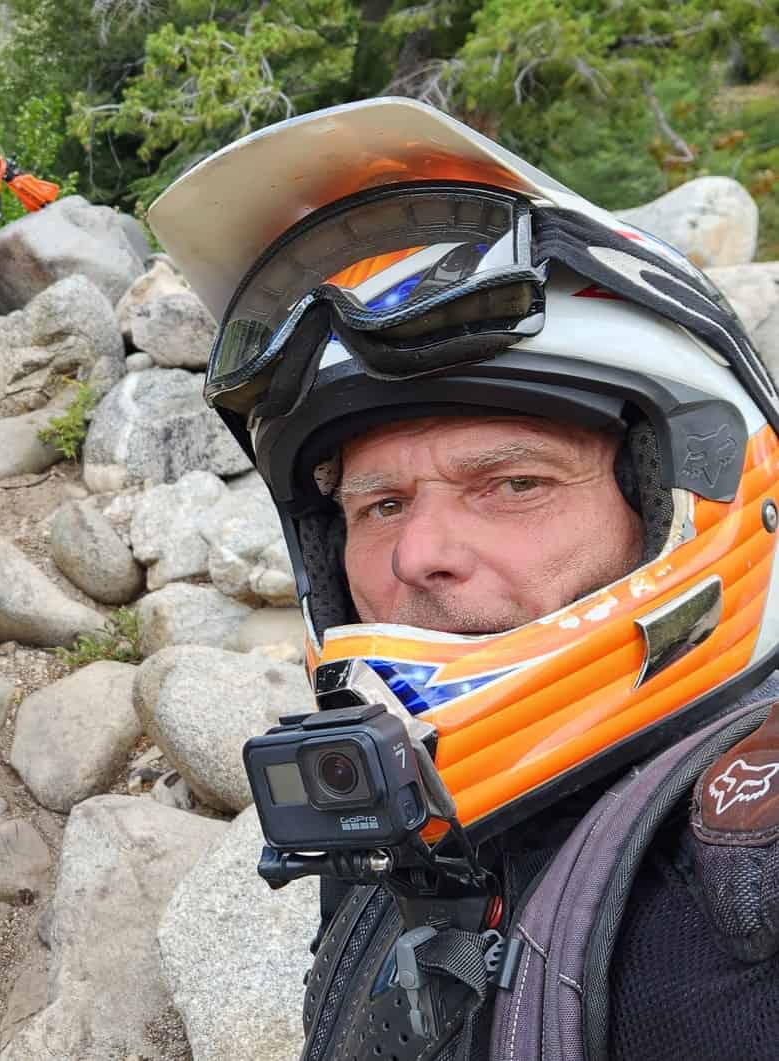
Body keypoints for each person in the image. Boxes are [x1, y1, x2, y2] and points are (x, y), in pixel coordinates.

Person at [146, 97, 779, 1060]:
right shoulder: (388, 806)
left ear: (681, 496)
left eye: (514, 483)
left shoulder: (742, 890)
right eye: (380, 505)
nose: (416, 555)